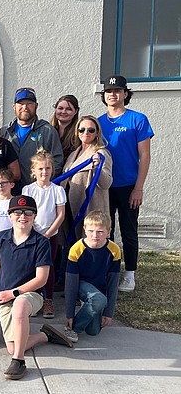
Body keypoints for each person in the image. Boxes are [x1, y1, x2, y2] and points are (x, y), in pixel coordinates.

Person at [0, 195, 73, 381]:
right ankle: (45, 335)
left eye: (28, 212)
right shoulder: (2, 237)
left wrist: (14, 292)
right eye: (17, 212)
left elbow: (41, 279)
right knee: (12, 345)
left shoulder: (41, 242)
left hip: (31, 295)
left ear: (34, 216)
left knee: (20, 307)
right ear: (10, 215)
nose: (22, 216)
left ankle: (18, 361)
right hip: (5, 297)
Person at [98, 75, 153, 293]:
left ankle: (130, 274)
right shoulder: (99, 123)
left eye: (117, 91)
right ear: (104, 95)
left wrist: (139, 187)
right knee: (105, 230)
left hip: (129, 185)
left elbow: (145, 155)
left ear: (125, 94)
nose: (113, 94)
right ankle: (108, 271)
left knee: (129, 231)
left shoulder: (137, 119)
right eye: (109, 91)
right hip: (105, 186)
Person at [64, 211, 121, 343]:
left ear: (108, 232)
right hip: (81, 285)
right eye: (91, 231)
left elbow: (113, 283)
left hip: (99, 289)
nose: (95, 235)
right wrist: (69, 314)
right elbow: (71, 285)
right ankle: (72, 329)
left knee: (93, 331)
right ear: (84, 229)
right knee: (99, 299)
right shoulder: (76, 249)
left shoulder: (114, 250)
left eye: (100, 231)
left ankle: (88, 310)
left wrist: (108, 312)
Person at [22, 151, 66, 319]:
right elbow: (26, 213)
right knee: (30, 267)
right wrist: (31, 230)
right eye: (40, 168)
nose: (44, 172)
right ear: (33, 170)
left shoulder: (57, 190)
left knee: (48, 267)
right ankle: (31, 299)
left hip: (49, 236)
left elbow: (60, 215)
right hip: (31, 234)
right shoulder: (28, 189)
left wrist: (47, 233)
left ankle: (48, 299)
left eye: (47, 168)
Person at [2, 88, 63, 192]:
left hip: (38, 192)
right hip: (8, 193)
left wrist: (43, 183)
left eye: (29, 103)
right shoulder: (4, 132)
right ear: (14, 107)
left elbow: (57, 161)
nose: (25, 107)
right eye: (20, 104)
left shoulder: (47, 131)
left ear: (36, 106)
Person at [63, 116, 113, 240]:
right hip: (70, 207)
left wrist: (97, 168)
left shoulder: (101, 153)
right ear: (77, 132)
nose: (86, 133)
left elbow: (106, 183)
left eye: (91, 130)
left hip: (89, 209)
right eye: (82, 130)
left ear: (97, 133)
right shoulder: (74, 153)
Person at [50, 95, 80, 161]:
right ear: (55, 109)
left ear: (76, 111)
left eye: (68, 109)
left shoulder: (79, 133)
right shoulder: (47, 130)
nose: (63, 112)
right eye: (60, 108)